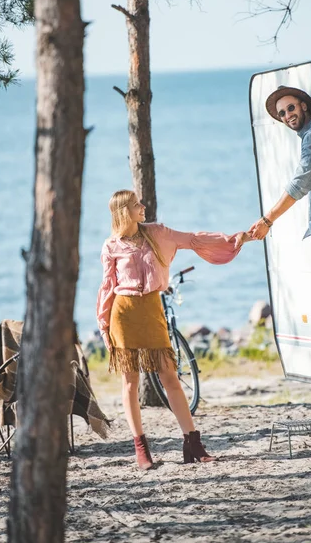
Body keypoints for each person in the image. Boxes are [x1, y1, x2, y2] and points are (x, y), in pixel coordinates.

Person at [96, 189, 252, 469]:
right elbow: (107, 288)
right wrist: (104, 325)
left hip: (152, 310)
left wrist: (232, 239)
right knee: (129, 382)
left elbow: (193, 239)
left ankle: (192, 442)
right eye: (136, 205)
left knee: (169, 375)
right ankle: (141, 449)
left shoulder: (157, 232)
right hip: (123, 315)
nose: (142, 207)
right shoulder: (111, 246)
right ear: (124, 212)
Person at [249, 85, 311, 378]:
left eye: (291, 108)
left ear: (304, 105)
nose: (287, 115)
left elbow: (301, 182)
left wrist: (267, 219)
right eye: (282, 113)